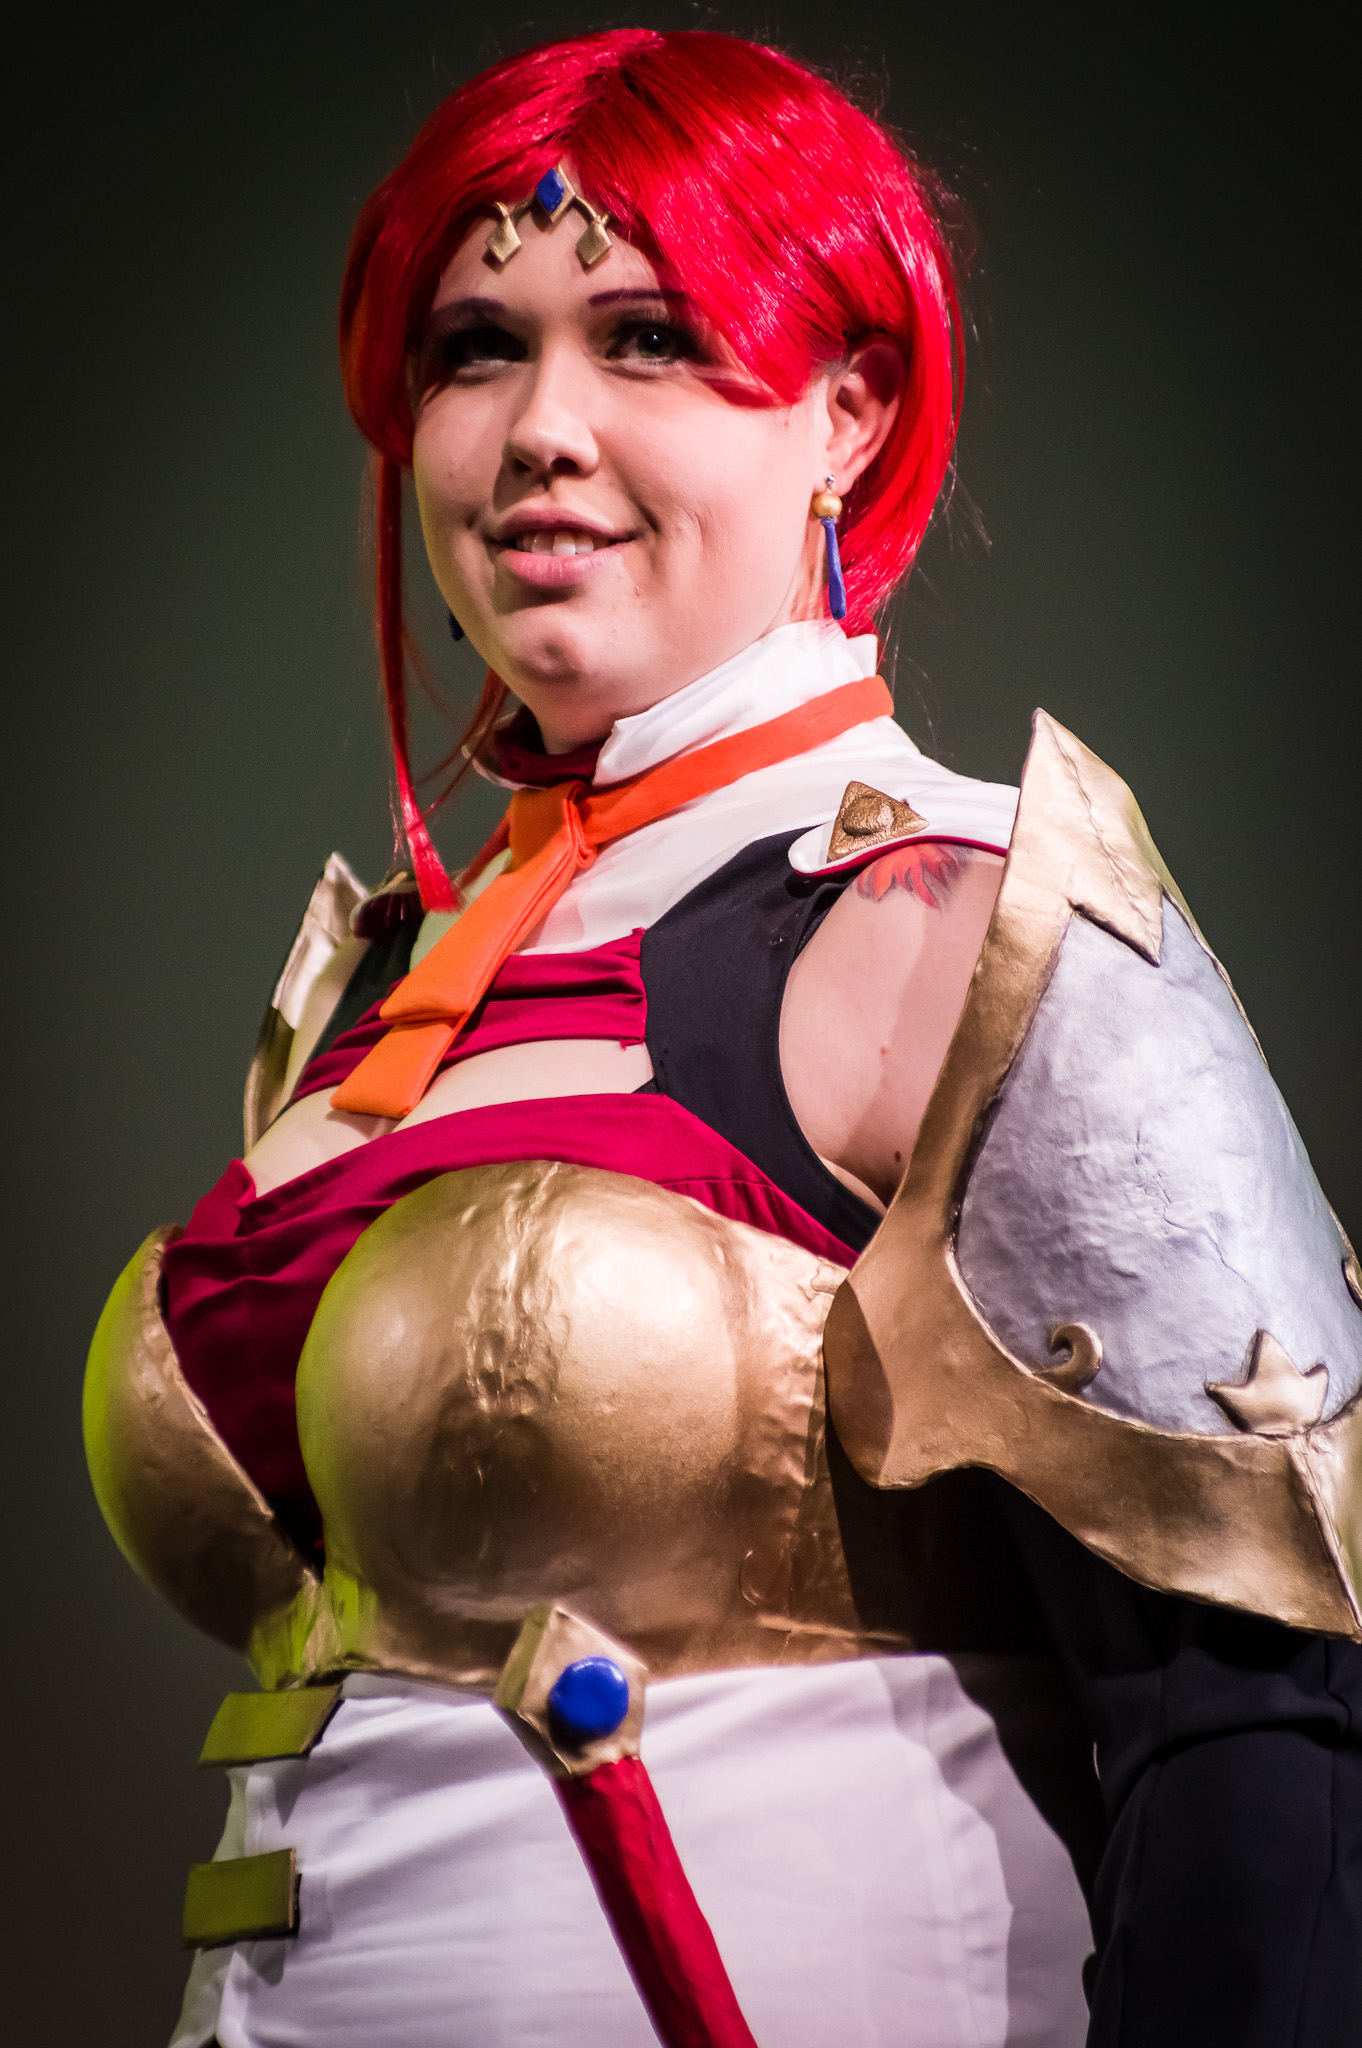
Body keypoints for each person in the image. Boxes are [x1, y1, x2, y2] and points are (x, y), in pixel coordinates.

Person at [81, 27, 1362, 2048]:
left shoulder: (967, 915)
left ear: (849, 408)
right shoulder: (370, 985)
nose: (540, 429)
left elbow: (1264, 1736)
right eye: (474, 349)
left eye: (650, 340)